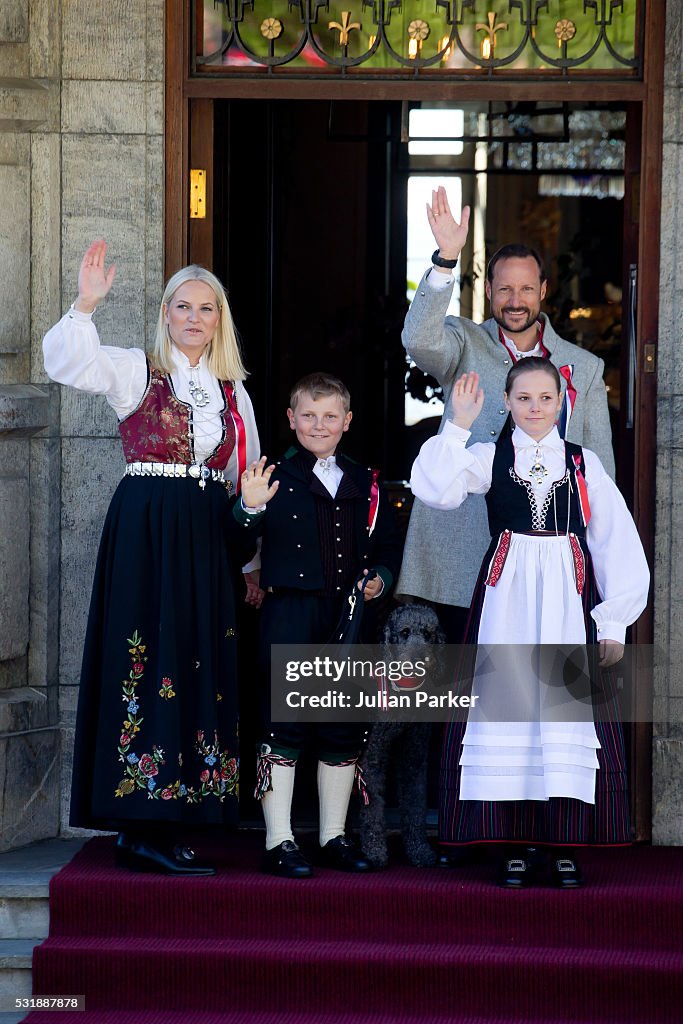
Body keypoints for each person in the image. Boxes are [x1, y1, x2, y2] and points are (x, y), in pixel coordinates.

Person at [43, 240, 262, 875]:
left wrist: (249, 564)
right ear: (165, 313)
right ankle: (138, 825)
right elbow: (68, 365)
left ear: (219, 319)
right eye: (183, 306)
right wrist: (86, 304)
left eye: (207, 308)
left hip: (206, 531)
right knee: (144, 655)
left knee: (194, 659)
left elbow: (247, 477)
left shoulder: (233, 394)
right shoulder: (136, 370)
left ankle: (178, 814)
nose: (194, 318)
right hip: (146, 526)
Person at [410, 359, 649, 887]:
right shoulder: (488, 455)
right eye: (524, 398)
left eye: (545, 398)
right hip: (507, 599)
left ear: (562, 401)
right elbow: (434, 489)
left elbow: (615, 542)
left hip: (567, 599)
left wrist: (613, 622)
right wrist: (456, 424)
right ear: (507, 402)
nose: (535, 408)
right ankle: (515, 843)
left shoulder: (583, 464)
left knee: (562, 712)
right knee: (509, 710)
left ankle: (563, 843)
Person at [398, 186, 615, 642]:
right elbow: (418, 339)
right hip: (459, 546)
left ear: (543, 291)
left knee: (530, 692)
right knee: (459, 688)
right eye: (504, 290)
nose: (515, 301)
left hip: (546, 562)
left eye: (525, 289)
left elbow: (599, 475)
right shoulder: (463, 342)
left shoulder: (586, 368)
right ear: (490, 291)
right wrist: (445, 259)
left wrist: (599, 569)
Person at [235, 372, 402, 878]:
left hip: (347, 616)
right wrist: (247, 508)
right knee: (283, 726)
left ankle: (333, 835)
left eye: (330, 415)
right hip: (290, 614)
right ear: (291, 419)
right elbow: (236, 546)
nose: (319, 424)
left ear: (347, 421)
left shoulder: (365, 481)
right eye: (308, 415)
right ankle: (279, 840)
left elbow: (389, 549)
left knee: (341, 727)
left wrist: (380, 580)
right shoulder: (270, 475)